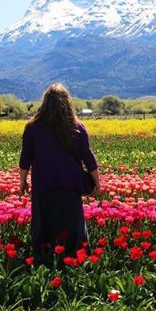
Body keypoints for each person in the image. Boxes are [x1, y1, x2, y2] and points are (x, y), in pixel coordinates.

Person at [19, 83, 100, 261]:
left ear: (45, 103)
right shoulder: (77, 127)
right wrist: (97, 182)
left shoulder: (32, 128)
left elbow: (26, 157)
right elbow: (88, 157)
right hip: (70, 185)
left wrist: (22, 181)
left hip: (43, 184)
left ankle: (43, 258)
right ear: (67, 103)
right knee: (72, 224)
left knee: (44, 223)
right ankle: (75, 257)